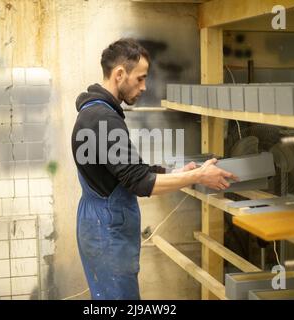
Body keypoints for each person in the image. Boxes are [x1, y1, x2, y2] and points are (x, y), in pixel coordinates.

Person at [71, 38, 238, 300]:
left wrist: (175, 174)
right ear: (119, 74)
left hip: (99, 221)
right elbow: (139, 183)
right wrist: (198, 175)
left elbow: (126, 170)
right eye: (140, 79)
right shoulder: (103, 119)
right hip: (106, 228)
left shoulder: (96, 112)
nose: (144, 86)